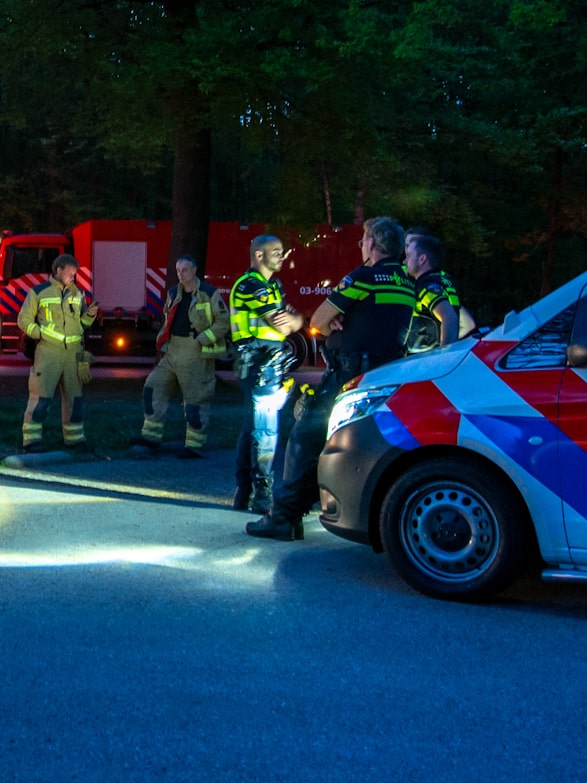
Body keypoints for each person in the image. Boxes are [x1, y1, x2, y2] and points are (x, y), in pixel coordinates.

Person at [249, 216, 416, 541]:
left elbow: (321, 320)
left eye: (363, 239)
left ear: (372, 244)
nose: (361, 245)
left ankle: (284, 518)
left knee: (305, 438)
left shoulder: (363, 277)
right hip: (386, 374)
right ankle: (302, 511)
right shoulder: (406, 282)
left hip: (348, 375)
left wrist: (335, 322)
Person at [229, 235, 303, 514]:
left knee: (252, 427)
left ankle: (244, 493)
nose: (281, 256)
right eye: (276, 252)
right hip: (260, 365)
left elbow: (289, 320)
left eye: (282, 252)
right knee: (266, 430)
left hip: (264, 365)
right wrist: (296, 321)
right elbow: (283, 325)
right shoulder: (251, 285)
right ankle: (262, 495)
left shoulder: (272, 286)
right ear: (259, 255)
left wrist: (295, 319)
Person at [133, 255, 227, 458]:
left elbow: (223, 322)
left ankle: (194, 444)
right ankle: (150, 436)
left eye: (184, 270)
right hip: (173, 349)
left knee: (195, 399)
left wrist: (202, 339)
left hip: (195, 352)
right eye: (177, 270)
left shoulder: (209, 293)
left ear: (194, 271)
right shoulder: (174, 292)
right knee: (153, 386)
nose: (180, 274)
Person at [19, 252, 98, 451]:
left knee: (75, 399)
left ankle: (75, 440)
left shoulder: (77, 294)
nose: (74, 277)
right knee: (41, 396)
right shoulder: (39, 292)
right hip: (48, 353)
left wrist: (89, 317)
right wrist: (40, 334)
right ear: (58, 270)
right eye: (71, 273)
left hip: (73, 354)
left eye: (75, 274)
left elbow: (82, 324)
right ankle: (32, 440)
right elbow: (23, 320)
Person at [403, 232, 465, 351]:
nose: (405, 262)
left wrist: (443, 356)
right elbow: (467, 323)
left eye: (409, 256)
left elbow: (449, 317)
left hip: (426, 360)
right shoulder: (445, 281)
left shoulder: (426, 285)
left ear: (422, 259)